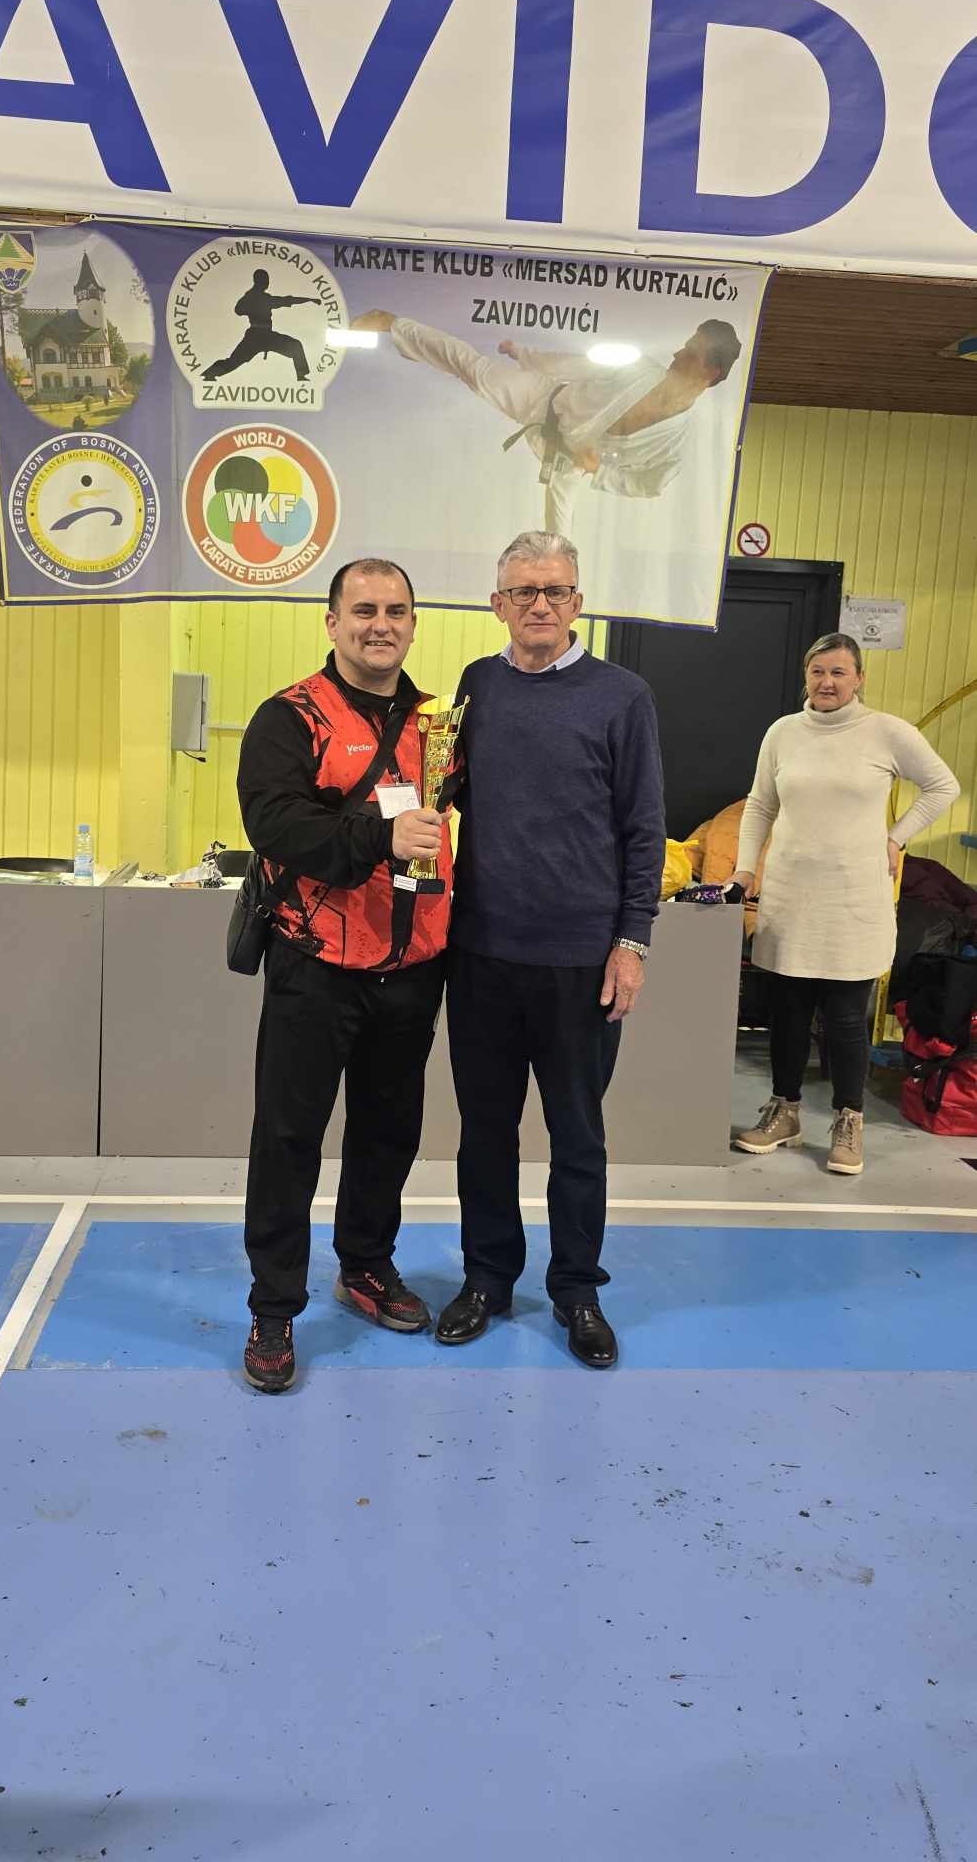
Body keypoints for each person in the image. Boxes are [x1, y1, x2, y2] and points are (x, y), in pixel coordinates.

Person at [436, 530, 666, 1368]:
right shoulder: (476, 686)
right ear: (497, 603)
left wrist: (631, 941)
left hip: (581, 962)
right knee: (484, 1133)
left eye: (556, 591)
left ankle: (576, 1291)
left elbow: (645, 830)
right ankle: (488, 1278)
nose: (541, 604)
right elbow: (444, 792)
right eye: (524, 591)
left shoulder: (623, 696)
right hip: (481, 955)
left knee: (578, 1139)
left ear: (578, 602)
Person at [236, 559, 454, 1392]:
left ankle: (364, 1266)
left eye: (396, 610)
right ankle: (274, 1307)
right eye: (363, 610)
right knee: (289, 1138)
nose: (380, 625)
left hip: (413, 967)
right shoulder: (289, 717)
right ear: (332, 622)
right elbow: (276, 824)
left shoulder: (440, 726)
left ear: (413, 623)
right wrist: (379, 838)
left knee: (389, 1133)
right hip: (315, 964)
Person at [731, 633, 960, 1175]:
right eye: (818, 672)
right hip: (790, 893)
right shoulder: (783, 733)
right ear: (805, 677)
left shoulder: (887, 732)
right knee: (787, 1012)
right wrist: (744, 869)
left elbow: (942, 786)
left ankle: (848, 1121)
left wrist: (896, 837)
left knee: (845, 1017)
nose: (827, 682)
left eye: (838, 672)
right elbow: (760, 805)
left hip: (854, 896)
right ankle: (784, 1112)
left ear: (859, 678)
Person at [351, 310, 741, 532]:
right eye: (685, 343)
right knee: (471, 368)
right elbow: (577, 365)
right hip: (543, 402)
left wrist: (600, 471)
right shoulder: (640, 368)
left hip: (569, 464)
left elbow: (651, 483)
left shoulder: (675, 440)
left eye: (690, 351)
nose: (677, 353)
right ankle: (393, 324)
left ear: (710, 371)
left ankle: (555, 617)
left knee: (560, 547)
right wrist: (526, 355)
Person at [203, 268, 314, 383]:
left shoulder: (264, 298)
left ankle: (301, 375)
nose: (267, 283)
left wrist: (308, 300)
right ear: (259, 281)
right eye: (265, 280)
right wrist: (251, 302)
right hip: (255, 337)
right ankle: (210, 373)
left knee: (295, 345)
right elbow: (238, 310)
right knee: (234, 361)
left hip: (267, 336)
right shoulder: (254, 297)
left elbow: (287, 300)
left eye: (267, 280)